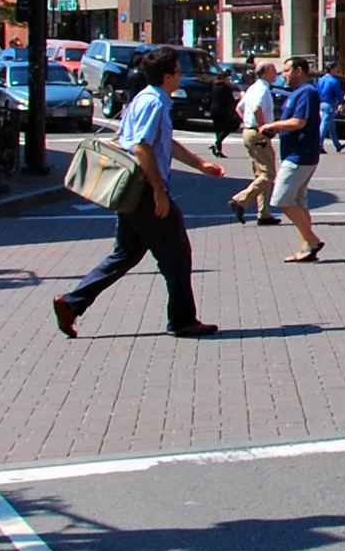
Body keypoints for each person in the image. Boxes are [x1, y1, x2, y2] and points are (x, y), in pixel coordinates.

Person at [52, 49, 224, 339]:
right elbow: (142, 147)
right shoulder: (153, 103)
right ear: (168, 76)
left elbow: (163, 142)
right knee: (177, 256)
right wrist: (158, 191)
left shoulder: (146, 99)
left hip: (134, 191)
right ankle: (182, 320)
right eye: (178, 71)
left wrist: (200, 164)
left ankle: (72, 303)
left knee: (125, 254)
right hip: (144, 190)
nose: (181, 75)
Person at [261, 57, 330, 261]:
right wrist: (276, 130)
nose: (283, 75)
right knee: (299, 202)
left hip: (300, 155)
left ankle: (312, 240)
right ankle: (307, 247)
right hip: (296, 153)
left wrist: (273, 125)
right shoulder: (297, 93)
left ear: (299, 70)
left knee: (281, 199)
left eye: (287, 70)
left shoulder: (307, 92)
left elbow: (299, 122)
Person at [228, 60, 278, 221]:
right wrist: (262, 127)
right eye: (273, 70)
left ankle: (264, 213)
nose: (276, 73)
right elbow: (257, 108)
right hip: (258, 133)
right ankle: (240, 200)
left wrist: (247, 122)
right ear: (265, 72)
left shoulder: (253, 88)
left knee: (261, 174)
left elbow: (239, 108)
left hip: (249, 131)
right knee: (269, 174)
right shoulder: (262, 89)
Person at [205, 63, 240, 158]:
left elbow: (209, 98)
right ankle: (217, 143)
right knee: (228, 128)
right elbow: (230, 100)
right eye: (228, 79)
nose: (229, 80)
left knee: (218, 130)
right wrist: (233, 110)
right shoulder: (226, 88)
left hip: (214, 110)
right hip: (223, 111)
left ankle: (218, 150)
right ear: (224, 79)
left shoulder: (214, 86)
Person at [317, 60, 345, 153]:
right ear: (332, 69)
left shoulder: (321, 79)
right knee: (324, 124)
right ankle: (319, 145)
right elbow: (338, 94)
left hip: (321, 103)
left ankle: (337, 145)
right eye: (336, 68)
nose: (337, 70)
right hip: (329, 104)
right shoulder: (334, 81)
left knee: (331, 126)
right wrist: (342, 101)